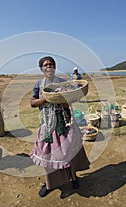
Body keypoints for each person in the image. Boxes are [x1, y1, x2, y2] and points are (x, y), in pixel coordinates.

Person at [29, 56, 90, 197]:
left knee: (70, 152)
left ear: (55, 67)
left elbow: (69, 101)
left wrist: (64, 101)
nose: (49, 66)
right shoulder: (39, 85)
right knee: (49, 155)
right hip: (48, 125)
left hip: (65, 122)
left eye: (51, 64)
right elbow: (32, 103)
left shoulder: (63, 83)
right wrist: (46, 98)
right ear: (41, 69)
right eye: (45, 65)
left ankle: (74, 178)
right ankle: (50, 184)